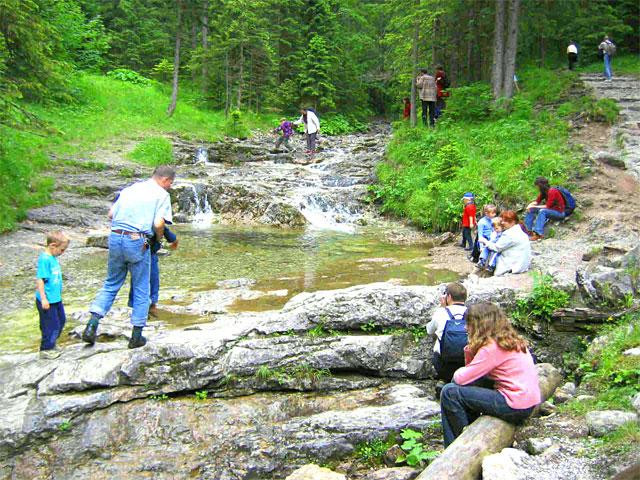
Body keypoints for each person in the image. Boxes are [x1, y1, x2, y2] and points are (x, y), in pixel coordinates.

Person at [83, 165, 175, 349]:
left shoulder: (130, 189)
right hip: (139, 240)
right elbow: (158, 223)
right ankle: (136, 336)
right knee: (142, 286)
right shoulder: (162, 195)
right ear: (165, 180)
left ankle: (91, 325)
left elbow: (111, 214)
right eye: (170, 184)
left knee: (111, 283)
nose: (170, 187)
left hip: (116, 236)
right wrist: (156, 239)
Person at [439, 303, 541, 447]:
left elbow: (460, 378)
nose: (465, 328)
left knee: (450, 392)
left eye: (468, 324)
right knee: (475, 381)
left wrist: (468, 350)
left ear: (479, 326)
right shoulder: (508, 340)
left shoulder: (491, 348)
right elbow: (472, 376)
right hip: (527, 402)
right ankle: (470, 427)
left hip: (515, 405)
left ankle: (457, 444)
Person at [128, 226, 178, 318]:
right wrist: (174, 241)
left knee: (136, 278)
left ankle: (135, 305)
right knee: (153, 279)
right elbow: (161, 227)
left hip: (134, 249)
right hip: (149, 251)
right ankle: (152, 306)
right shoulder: (153, 218)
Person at [35, 231, 70, 359]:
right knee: (50, 324)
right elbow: (40, 280)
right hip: (47, 300)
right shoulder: (45, 259)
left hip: (56, 299)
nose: (63, 252)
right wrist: (43, 299)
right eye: (62, 250)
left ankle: (52, 343)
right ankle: (45, 349)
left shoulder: (53, 258)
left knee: (61, 320)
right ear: (52, 246)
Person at [426, 282, 468, 383]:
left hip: (444, 366)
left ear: (448, 296)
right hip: (467, 365)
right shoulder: (473, 312)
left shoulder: (441, 313)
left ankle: (444, 380)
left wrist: (442, 307)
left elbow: (429, 330)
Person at [480, 211, 531, 276]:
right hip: (522, 265)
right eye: (502, 220)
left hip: (513, 267)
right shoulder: (519, 230)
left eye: (505, 221)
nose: (502, 223)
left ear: (512, 222)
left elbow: (496, 248)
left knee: (490, 250)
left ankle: (486, 270)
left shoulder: (509, 234)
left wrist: (484, 241)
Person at [524, 176, 565, 241]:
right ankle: (527, 231)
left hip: (559, 213)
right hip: (550, 211)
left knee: (543, 211)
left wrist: (534, 206)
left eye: (537, 186)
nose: (536, 187)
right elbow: (537, 201)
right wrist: (530, 205)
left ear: (540, 185)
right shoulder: (544, 192)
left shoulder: (552, 191)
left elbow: (547, 206)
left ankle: (538, 234)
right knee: (531, 209)